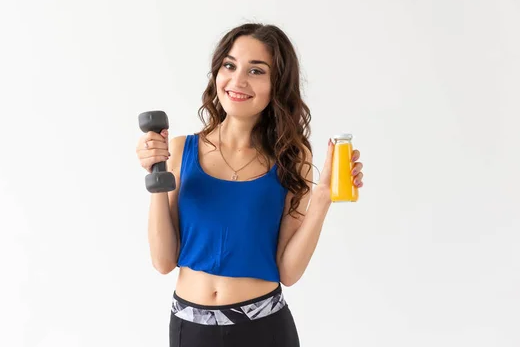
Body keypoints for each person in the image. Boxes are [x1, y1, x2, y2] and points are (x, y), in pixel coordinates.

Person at [135, 23, 365, 346]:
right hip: (190, 330)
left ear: (277, 86)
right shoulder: (178, 150)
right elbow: (162, 261)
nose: (238, 80)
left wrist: (322, 198)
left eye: (256, 71)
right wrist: (154, 176)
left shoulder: (291, 157)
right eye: (229, 65)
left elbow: (289, 271)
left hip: (264, 329)